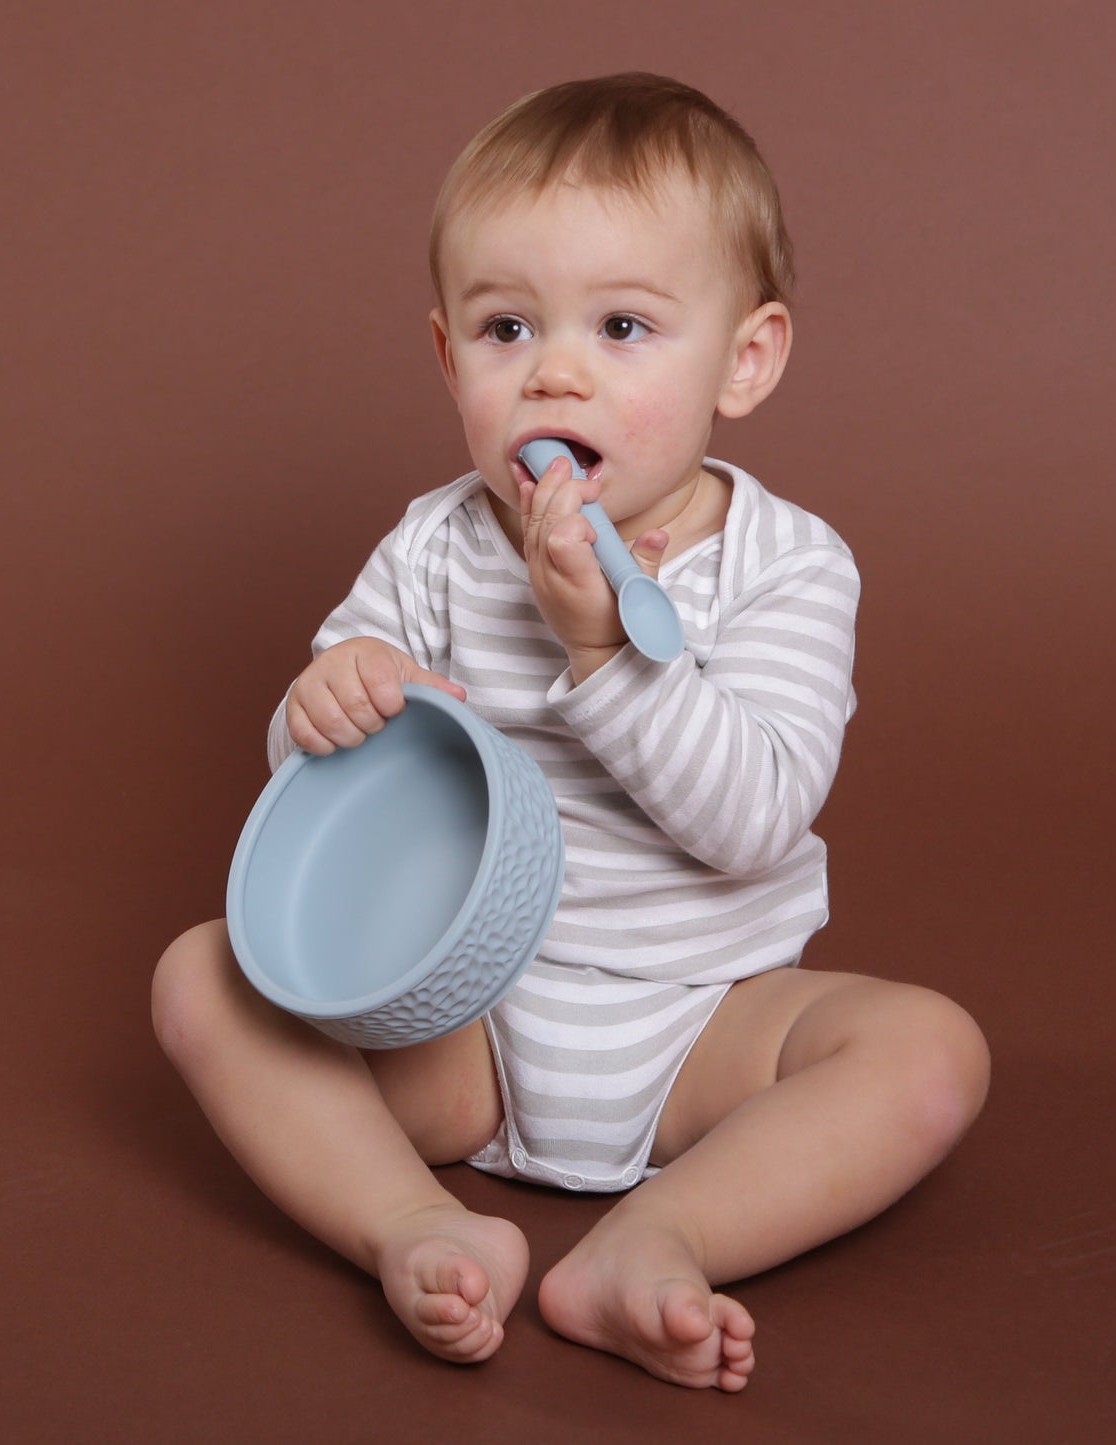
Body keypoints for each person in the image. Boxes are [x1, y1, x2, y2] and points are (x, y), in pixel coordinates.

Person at [151, 73, 989, 1392]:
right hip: (464, 1027)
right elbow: (329, 788)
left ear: (744, 359)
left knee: (926, 1051)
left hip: (706, 1030)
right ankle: (413, 1220)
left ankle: (661, 1233)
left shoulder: (786, 567)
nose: (553, 367)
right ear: (446, 359)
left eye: (622, 325)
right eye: (503, 328)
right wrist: (323, 700)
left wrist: (602, 651)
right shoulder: (435, 545)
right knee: (201, 974)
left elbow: (753, 817)